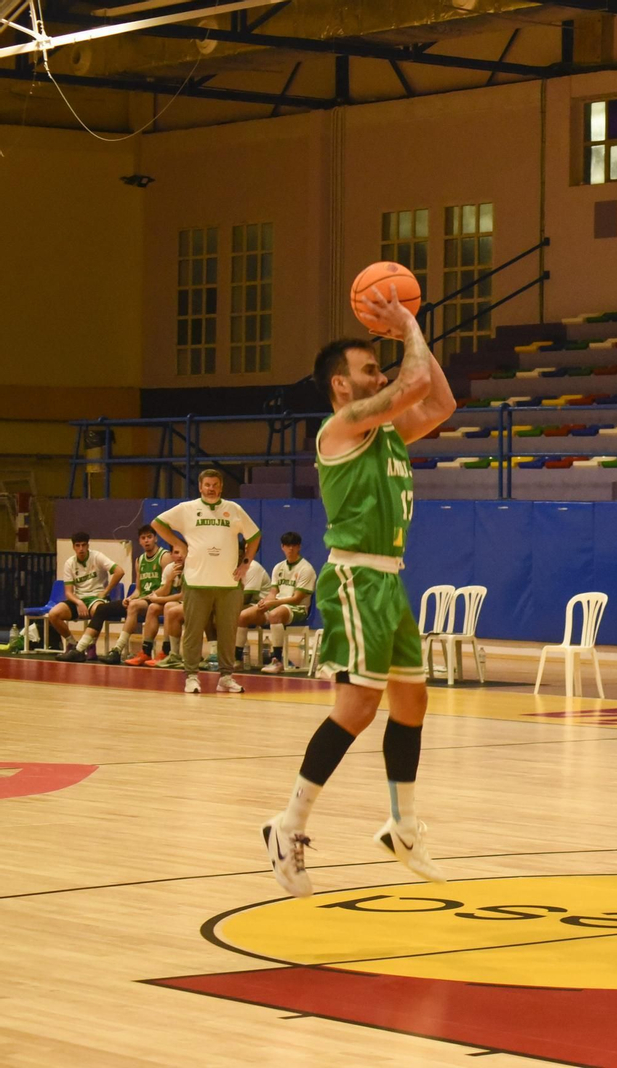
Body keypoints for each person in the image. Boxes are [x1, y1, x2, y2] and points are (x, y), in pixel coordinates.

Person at [261, 282, 457, 898]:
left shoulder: (390, 432)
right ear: (342, 385)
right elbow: (416, 385)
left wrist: (409, 333)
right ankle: (286, 826)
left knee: (412, 704)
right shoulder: (341, 427)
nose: (383, 375)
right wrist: (409, 329)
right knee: (357, 709)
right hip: (354, 576)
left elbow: (441, 400)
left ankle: (401, 824)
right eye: (371, 368)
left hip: (389, 579)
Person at [151, 471, 260, 694]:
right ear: (200, 487)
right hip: (196, 581)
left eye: (215, 485)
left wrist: (246, 563)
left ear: (221, 488)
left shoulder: (234, 509)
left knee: (228, 632)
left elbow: (254, 536)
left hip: (229, 584)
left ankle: (226, 677)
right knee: (193, 630)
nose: (211, 488)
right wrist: (177, 543)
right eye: (207, 485)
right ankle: (191, 676)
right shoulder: (186, 509)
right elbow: (157, 523)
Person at [236, 531, 317, 674]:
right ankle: (237, 659)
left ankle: (277, 660)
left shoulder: (306, 569)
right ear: (282, 547)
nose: (290, 549)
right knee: (243, 616)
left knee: (275, 614)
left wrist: (273, 603)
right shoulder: (278, 567)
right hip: (277, 605)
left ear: (299, 547)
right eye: (287, 545)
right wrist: (264, 602)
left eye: (294, 545)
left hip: (298, 608)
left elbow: (297, 598)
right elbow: (273, 592)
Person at [47, 532, 123, 658]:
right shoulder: (69, 563)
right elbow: (68, 592)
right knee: (54, 614)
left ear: (88, 546)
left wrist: (105, 592)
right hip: (79, 599)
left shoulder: (97, 557)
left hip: (96, 598)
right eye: (78, 546)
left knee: (98, 610)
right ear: (73, 547)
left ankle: (91, 645)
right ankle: (71, 643)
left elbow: (119, 571)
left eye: (83, 545)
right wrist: (79, 602)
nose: (81, 549)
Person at [107, 525, 170, 665]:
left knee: (148, 605)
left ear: (155, 538)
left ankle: (152, 651)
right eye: (143, 538)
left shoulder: (164, 556)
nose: (146, 540)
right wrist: (130, 597)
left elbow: (166, 586)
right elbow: (138, 589)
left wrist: (146, 597)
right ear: (139, 541)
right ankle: (118, 649)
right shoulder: (139, 560)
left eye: (149, 537)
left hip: (162, 598)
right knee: (132, 604)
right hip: (147, 599)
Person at [138, 545, 187, 668]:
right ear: (171, 555)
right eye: (176, 552)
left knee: (168, 606)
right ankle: (146, 650)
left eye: (183, 552)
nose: (180, 555)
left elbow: (183, 596)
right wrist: (170, 580)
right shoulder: (170, 568)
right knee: (153, 607)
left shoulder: (191, 568)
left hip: (189, 602)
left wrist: (159, 599)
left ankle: (167, 650)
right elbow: (165, 591)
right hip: (174, 601)